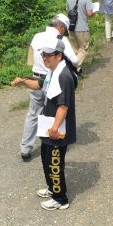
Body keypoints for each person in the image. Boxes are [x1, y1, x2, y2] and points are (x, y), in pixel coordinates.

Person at [11, 37, 77, 210]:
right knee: (46, 158)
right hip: (48, 125)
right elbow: (40, 84)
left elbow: (63, 106)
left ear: (59, 56)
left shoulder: (64, 76)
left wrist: (55, 128)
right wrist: (23, 82)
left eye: (48, 55)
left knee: (54, 163)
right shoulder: (53, 71)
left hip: (57, 128)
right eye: (43, 55)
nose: (44, 58)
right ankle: (52, 188)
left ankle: (60, 199)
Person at [19, 14, 78, 160]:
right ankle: (52, 141)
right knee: (55, 111)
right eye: (64, 30)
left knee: (33, 113)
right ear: (61, 27)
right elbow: (75, 60)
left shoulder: (37, 36)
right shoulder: (60, 39)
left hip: (37, 77)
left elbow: (30, 59)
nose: (64, 33)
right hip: (52, 78)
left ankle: (26, 148)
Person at [66, 0, 95, 72]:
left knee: (75, 49)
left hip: (71, 27)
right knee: (84, 49)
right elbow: (89, 13)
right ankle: (73, 67)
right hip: (82, 27)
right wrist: (94, 12)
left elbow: (68, 11)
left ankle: (77, 69)